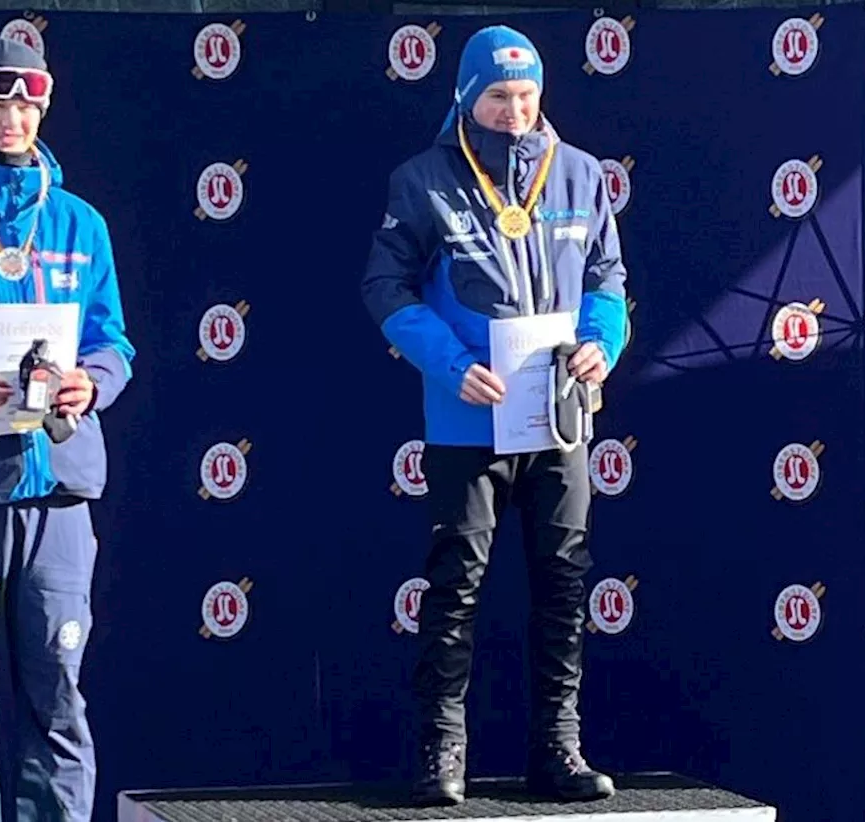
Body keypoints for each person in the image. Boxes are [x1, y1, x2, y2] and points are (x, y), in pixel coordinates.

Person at [362, 24, 628, 807]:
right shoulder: (423, 179)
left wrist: (599, 345)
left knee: (564, 583)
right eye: (498, 96)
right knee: (458, 584)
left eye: (527, 95)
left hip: (558, 417)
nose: (515, 111)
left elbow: (608, 278)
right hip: (467, 416)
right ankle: (442, 751)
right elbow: (387, 287)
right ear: (467, 97)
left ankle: (558, 748)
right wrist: (449, 364)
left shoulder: (579, 174)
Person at [0, 37, 135, 822]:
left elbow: (114, 342)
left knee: (59, 689)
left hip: (57, 488)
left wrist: (95, 383)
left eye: (26, 103)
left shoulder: (78, 222)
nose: (11, 118)